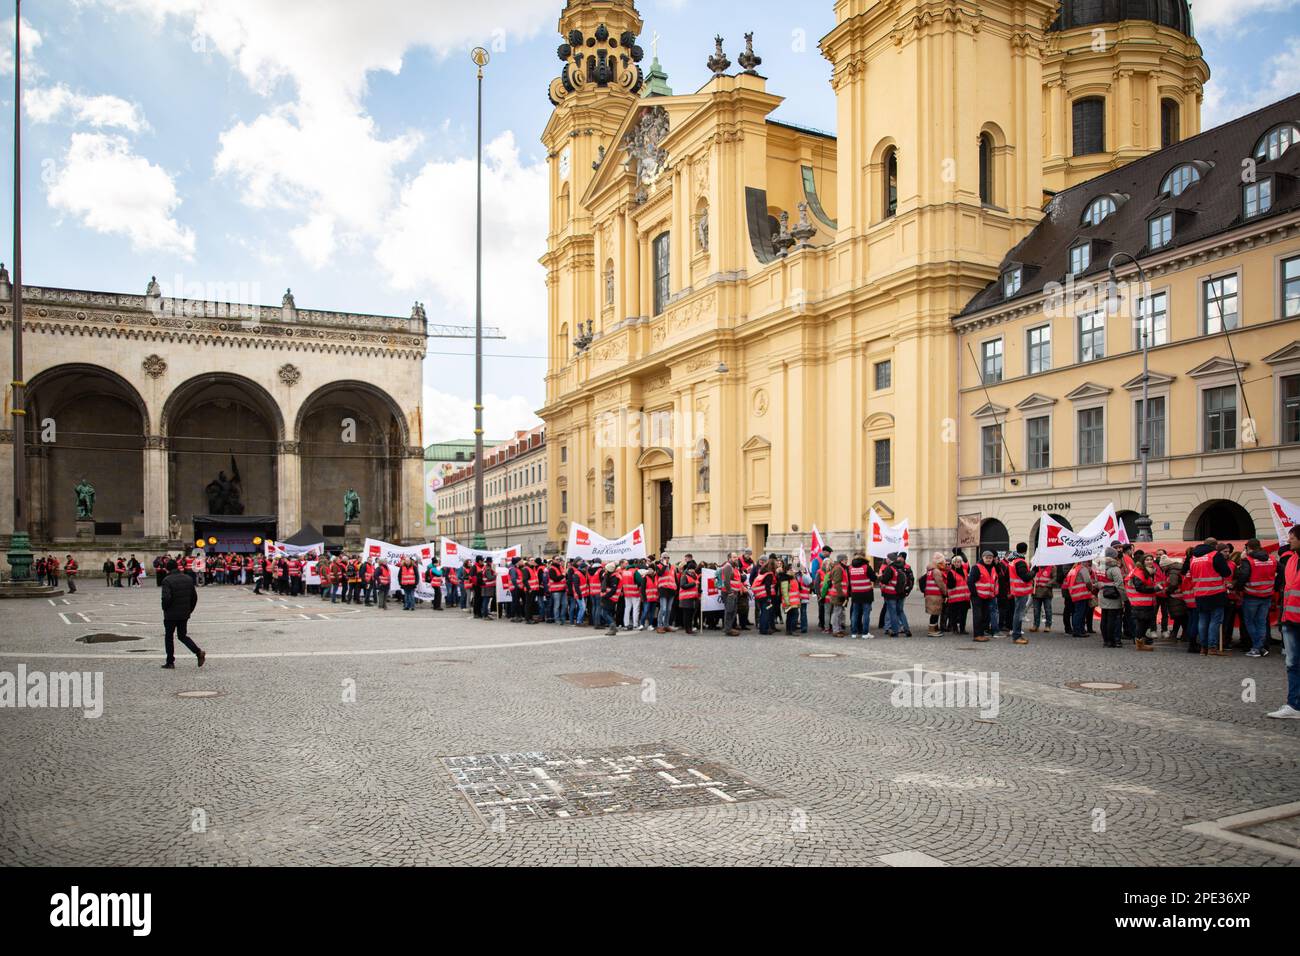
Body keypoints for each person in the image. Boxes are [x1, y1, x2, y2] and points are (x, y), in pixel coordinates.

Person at [1268, 524, 1300, 718]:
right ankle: (1294, 705)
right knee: (1292, 663)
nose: (1289, 541)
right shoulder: (1291, 561)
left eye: (1293, 537)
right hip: (1290, 620)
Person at [1184, 536, 1231, 655]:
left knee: (1203, 620)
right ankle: (1212, 647)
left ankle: (1203, 647)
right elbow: (1226, 572)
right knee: (1215, 621)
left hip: (1199, 593)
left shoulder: (1194, 557)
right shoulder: (1215, 555)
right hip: (1216, 593)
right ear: (1215, 546)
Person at [160, 559, 205, 669]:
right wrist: (189, 610)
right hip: (184, 613)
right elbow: (194, 597)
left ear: (168, 568)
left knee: (169, 637)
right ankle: (198, 652)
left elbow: (166, 598)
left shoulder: (167, 580)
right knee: (182, 636)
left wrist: (164, 608)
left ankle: (170, 661)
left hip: (171, 614)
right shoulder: (188, 578)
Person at [1236, 539, 1275, 658]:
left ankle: (1257, 648)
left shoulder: (1248, 560)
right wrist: (1275, 586)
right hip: (1267, 594)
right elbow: (1282, 571)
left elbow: (1243, 575)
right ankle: (1260, 647)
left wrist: (1238, 587)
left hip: (1252, 595)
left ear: (1248, 548)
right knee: (1261, 622)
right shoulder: (1272, 559)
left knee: (1249, 622)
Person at [1006, 543, 1034, 644]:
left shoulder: (1013, 561)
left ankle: (1017, 634)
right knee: (1019, 614)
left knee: (1017, 613)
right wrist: (1033, 572)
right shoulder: (1020, 562)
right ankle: (1016, 636)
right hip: (1021, 591)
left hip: (1016, 590)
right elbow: (1025, 577)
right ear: (1025, 551)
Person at [1098, 549, 1126, 648]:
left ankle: (1106, 640)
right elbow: (1119, 584)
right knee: (1112, 619)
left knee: (1104, 618)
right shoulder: (1114, 568)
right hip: (1113, 595)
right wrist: (1124, 598)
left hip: (1102, 595)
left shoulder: (1099, 567)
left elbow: (1098, 582)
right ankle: (1112, 640)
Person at [969, 551, 1000, 642]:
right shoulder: (976, 567)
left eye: (990, 558)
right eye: (987, 557)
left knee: (985, 616)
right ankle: (977, 635)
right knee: (978, 616)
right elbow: (970, 581)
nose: (988, 559)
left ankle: (981, 633)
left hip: (988, 596)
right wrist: (975, 593)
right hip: (978, 596)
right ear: (983, 558)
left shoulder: (993, 568)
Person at [848, 551, 876, 640]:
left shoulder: (850, 567)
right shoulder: (866, 567)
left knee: (855, 613)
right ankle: (865, 633)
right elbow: (874, 578)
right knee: (866, 614)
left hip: (855, 593)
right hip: (866, 593)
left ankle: (853, 632)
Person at [1064, 560, 1096, 638]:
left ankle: (1078, 630)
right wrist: (1091, 588)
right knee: (1080, 613)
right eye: (1088, 562)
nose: (1089, 564)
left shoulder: (1074, 568)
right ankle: (1078, 631)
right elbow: (1087, 581)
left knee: (1077, 612)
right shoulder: (1082, 569)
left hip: (1075, 593)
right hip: (1082, 594)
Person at [1029, 562, 1054, 633]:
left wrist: (1047, 584)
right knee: (1036, 610)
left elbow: (1055, 578)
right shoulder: (1035, 567)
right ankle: (1036, 625)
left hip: (1047, 593)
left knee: (1048, 610)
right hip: (1036, 592)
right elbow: (1031, 576)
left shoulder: (1052, 567)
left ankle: (1048, 626)